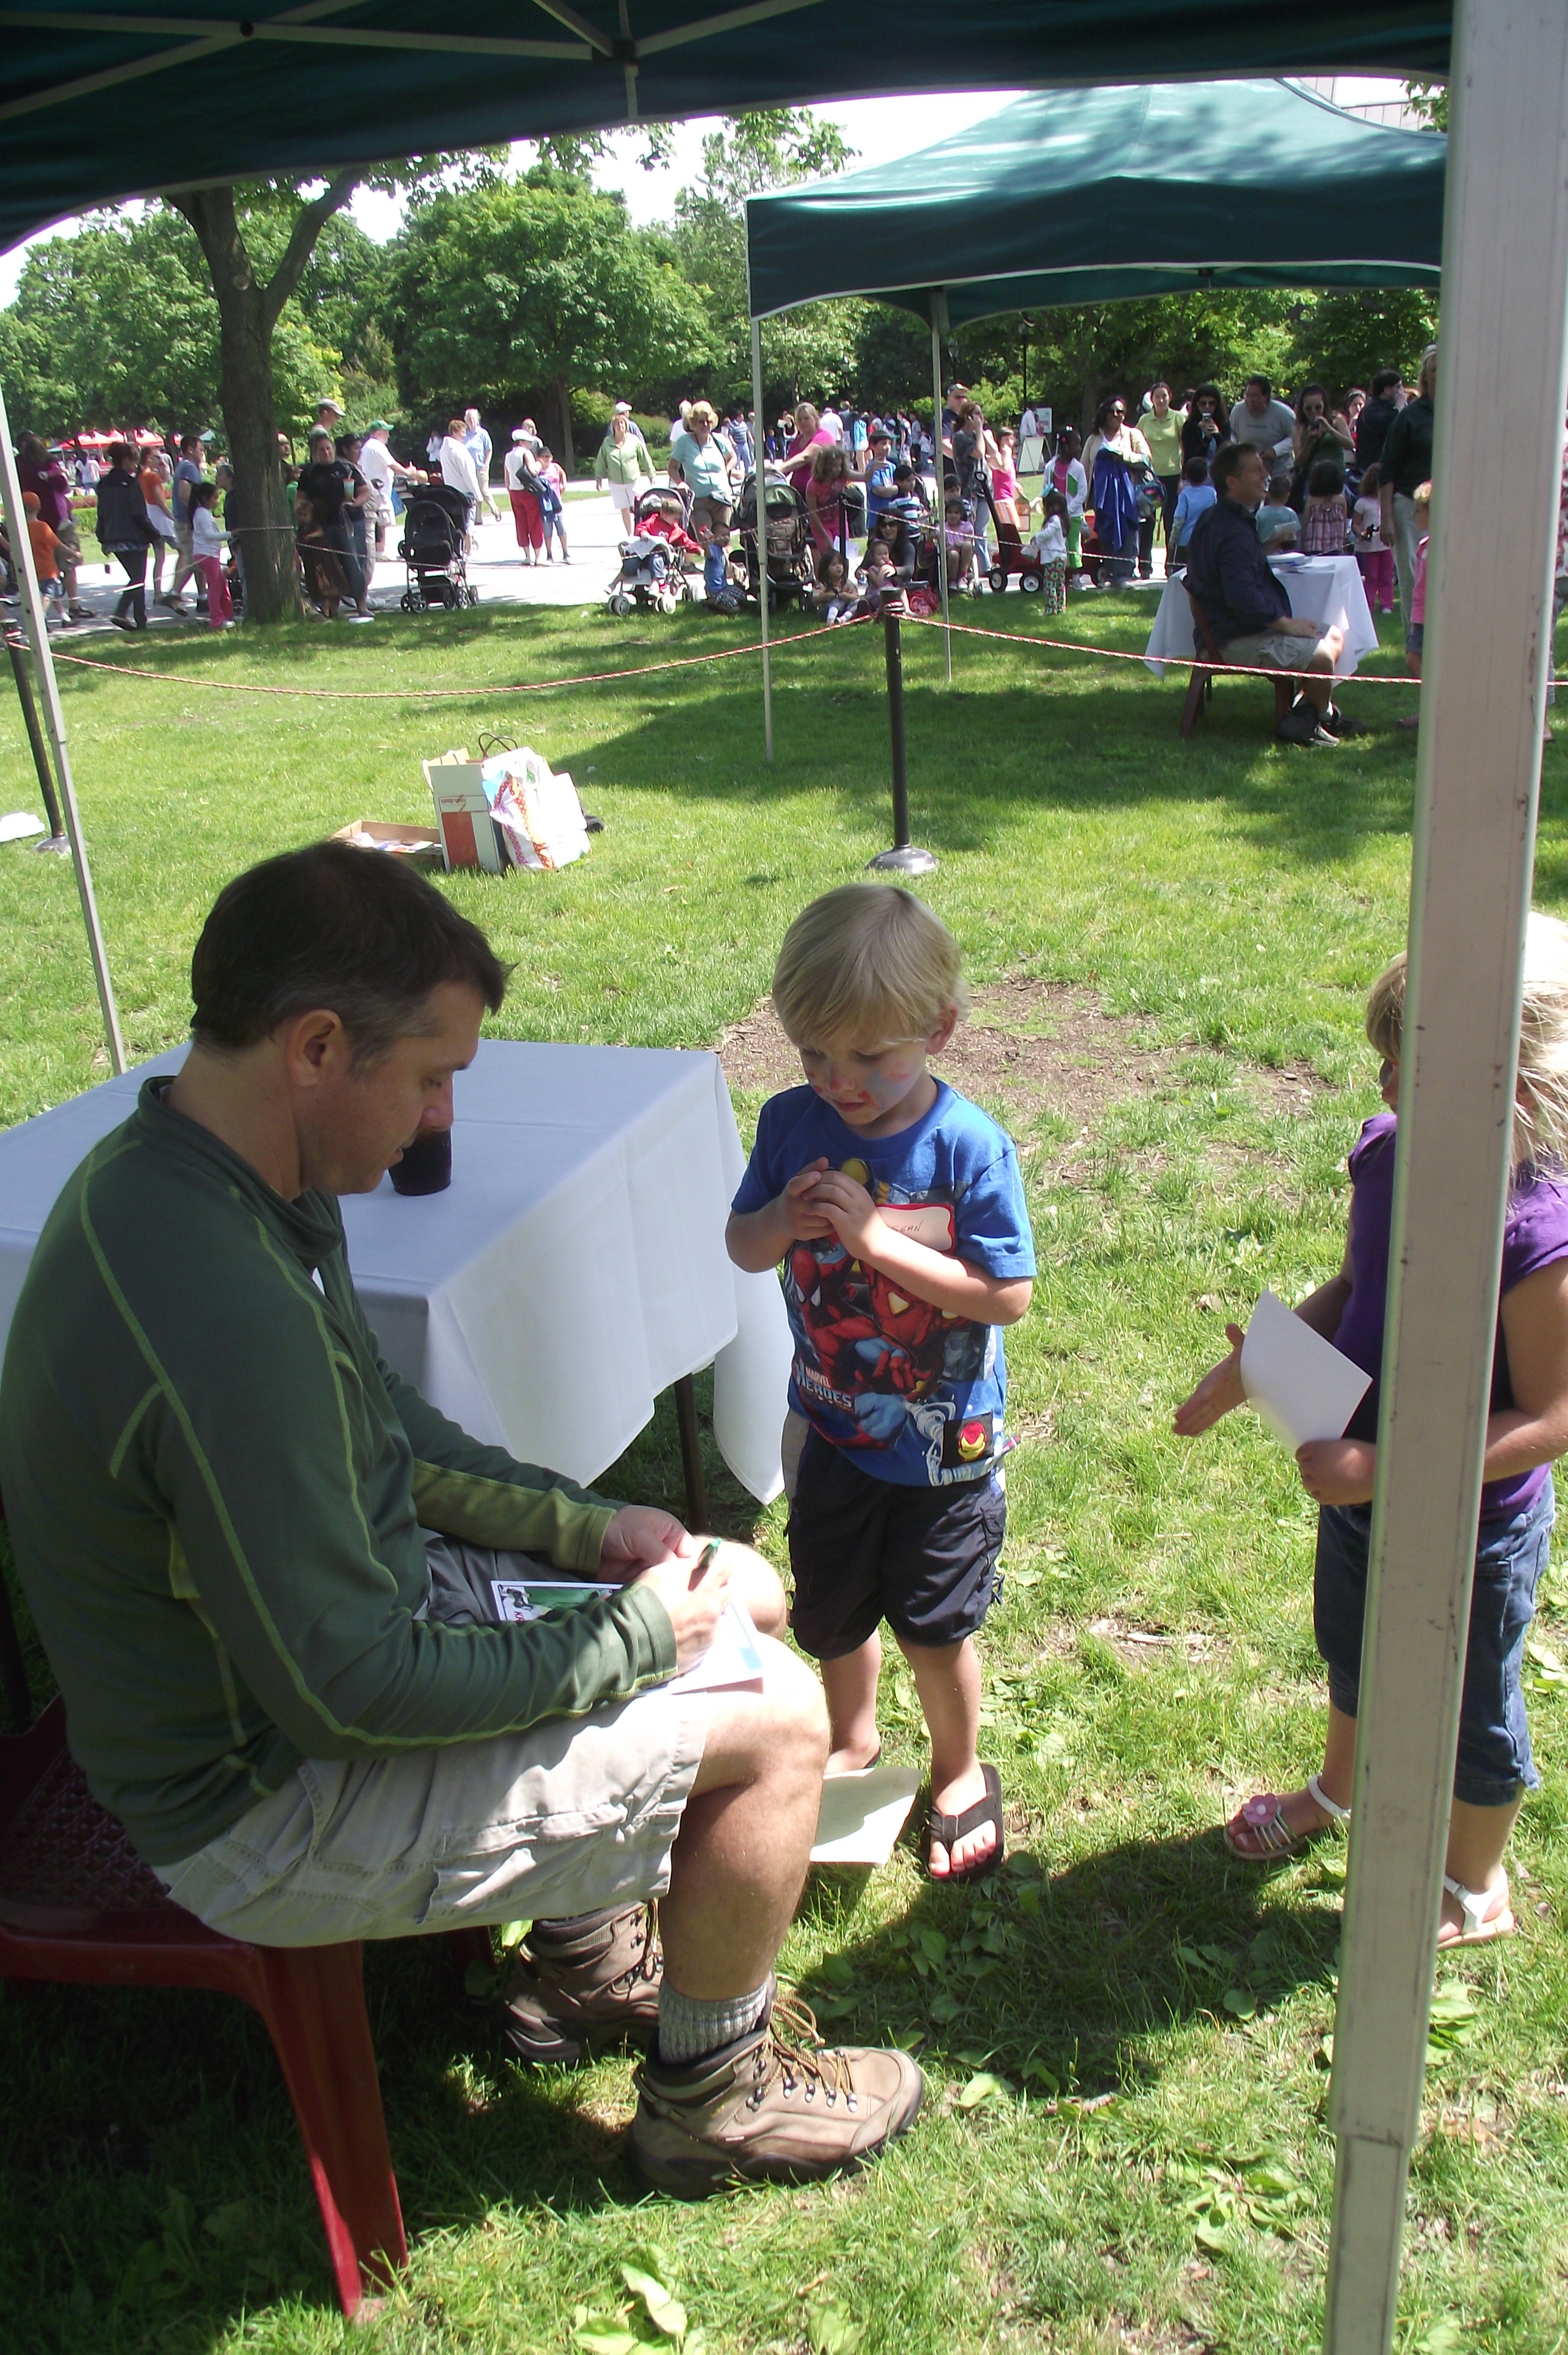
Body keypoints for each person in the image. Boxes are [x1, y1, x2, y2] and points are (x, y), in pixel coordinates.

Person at [0, 843, 924, 2190]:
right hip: (262, 1805)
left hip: (330, 1658)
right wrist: (636, 1639)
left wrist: (589, 1531)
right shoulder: (216, 1307)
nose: (440, 1119)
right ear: (318, 1047)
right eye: (430, 1077)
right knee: (781, 1715)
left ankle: (587, 1958)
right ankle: (712, 2099)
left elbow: (378, 1419)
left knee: (743, 1592)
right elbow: (356, 1691)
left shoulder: (218, 1177)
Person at [1174, 917, 1568, 1948]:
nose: (1386, 1087)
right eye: (1386, 1061)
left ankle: (1472, 1884)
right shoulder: (1392, 1156)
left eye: (1413, 1071)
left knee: (1472, 1708)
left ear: (1518, 1096)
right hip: (1359, 1488)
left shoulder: (1534, 1234)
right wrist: (1257, 1362)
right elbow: (1355, 1286)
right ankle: (1337, 1790)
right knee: (1352, 1649)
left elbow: (1549, 1418)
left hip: (1473, 1525)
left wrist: (1390, 1469)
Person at [726, 886, 1035, 1881]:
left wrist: (872, 1242)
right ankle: (851, 1738)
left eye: (868, 1056)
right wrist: (781, 1219)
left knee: (935, 1630)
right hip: (828, 1426)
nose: (839, 1081)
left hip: (944, 1447)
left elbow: (1005, 1296)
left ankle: (958, 1768)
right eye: (813, 1054)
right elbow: (742, 1246)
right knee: (831, 1612)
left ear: (937, 1030)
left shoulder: (966, 1147)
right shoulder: (791, 1124)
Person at [1182, 442, 1349, 747]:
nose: (1265, 475)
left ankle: (1316, 715)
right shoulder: (1231, 532)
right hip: (1234, 638)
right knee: (1323, 657)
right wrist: (1286, 624)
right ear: (1233, 482)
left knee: (1334, 634)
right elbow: (1242, 599)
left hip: (1238, 630)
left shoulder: (1221, 519)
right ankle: (1318, 717)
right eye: (1256, 470)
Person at [1379, 344, 1437, 631]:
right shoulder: (1409, 417)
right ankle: (1416, 643)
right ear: (1425, 376)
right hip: (1409, 508)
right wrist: (1386, 518)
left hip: (1445, 505)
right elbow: (1387, 469)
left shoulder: (1460, 413)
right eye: (1435, 369)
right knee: (1414, 579)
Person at [668, 402, 739, 609]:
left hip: (722, 498)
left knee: (722, 541)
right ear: (693, 423)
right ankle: (716, 589)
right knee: (707, 542)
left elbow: (733, 457)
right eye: (700, 421)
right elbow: (672, 467)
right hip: (699, 500)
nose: (705, 425)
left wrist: (727, 470)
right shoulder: (684, 442)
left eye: (708, 421)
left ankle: (718, 588)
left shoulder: (719, 440)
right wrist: (680, 483)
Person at [17, 432, 90, 621]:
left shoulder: (17, 466)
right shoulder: (48, 464)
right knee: (68, 564)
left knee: (45, 568)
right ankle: (73, 606)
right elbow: (63, 486)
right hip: (59, 520)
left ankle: (52, 611)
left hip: (33, 520)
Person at [1084, 396, 1151, 589]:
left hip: (1127, 495)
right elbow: (1084, 466)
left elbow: (1146, 459)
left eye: (1120, 411)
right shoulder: (1094, 439)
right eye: (1112, 411)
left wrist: (1124, 457)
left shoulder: (1133, 434)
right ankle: (1109, 573)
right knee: (1105, 531)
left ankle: (1124, 574)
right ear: (1105, 414)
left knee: (1127, 532)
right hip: (1102, 495)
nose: (1116, 415)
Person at [94, 440, 157, 631]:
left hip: (113, 537)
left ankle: (130, 616)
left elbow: (101, 514)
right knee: (138, 580)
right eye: (134, 461)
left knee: (135, 578)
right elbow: (139, 514)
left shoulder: (103, 485)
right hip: (134, 537)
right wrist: (154, 534)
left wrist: (103, 538)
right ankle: (133, 617)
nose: (135, 465)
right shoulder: (130, 484)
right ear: (126, 461)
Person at [1396, 479, 1433, 729]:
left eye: (1419, 510)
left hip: (1432, 618)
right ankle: (1429, 709)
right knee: (1416, 660)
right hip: (1420, 616)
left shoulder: (1443, 547)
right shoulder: (1424, 546)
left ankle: (1434, 707)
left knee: (1414, 660)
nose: (1414, 515)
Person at [1141, 382, 1185, 568]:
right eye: (1157, 397)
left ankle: (1171, 564)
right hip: (1151, 478)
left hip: (1173, 477)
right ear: (1152, 400)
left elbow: (1185, 447)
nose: (1161, 400)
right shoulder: (1145, 421)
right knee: (1147, 521)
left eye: (1164, 396)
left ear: (1170, 397)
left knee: (1171, 521)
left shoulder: (1178, 419)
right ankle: (1144, 565)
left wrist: (1184, 476)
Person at [163, 433, 209, 612]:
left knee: (198, 559)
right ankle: (174, 594)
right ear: (190, 450)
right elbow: (184, 493)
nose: (203, 453)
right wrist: (194, 517)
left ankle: (203, 598)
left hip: (183, 521)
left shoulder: (185, 466)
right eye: (201, 449)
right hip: (187, 523)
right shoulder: (189, 468)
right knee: (192, 559)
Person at [594, 404, 652, 531]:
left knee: (638, 507)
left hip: (633, 480)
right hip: (616, 482)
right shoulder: (607, 443)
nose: (620, 426)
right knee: (624, 509)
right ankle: (630, 534)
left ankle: (639, 531)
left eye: (623, 424)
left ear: (627, 426)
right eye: (617, 424)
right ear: (613, 427)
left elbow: (644, 457)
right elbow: (601, 460)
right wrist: (598, 477)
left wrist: (651, 474)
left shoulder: (634, 440)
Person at [188, 481, 234, 628]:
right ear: (205, 498)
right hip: (207, 556)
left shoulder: (203, 513)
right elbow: (209, 535)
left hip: (210, 555)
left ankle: (228, 615)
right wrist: (230, 534)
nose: (217, 501)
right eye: (215, 497)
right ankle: (217, 620)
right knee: (215, 588)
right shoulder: (202, 514)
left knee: (222, 585)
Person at [1351, 463, 1395, 615]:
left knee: (1387, 575)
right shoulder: (1362, 503)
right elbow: (1355, 524)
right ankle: (1369, 604)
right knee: (1372, 577)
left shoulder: (1388, 502)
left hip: (1386, 546)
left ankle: (1387, 604)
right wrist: (1362, 534)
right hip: (1369, 548)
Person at [19, 491, 65, 626]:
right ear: (38, 507)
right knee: (48, 595)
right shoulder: (42, 527)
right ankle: (39, 620)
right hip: (47, 567)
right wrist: (74, 554)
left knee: (54, 594)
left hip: (31, 567)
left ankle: (65, 617)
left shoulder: (22, 528)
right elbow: (57, 544)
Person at [1228, 376, 1297, 466]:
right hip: (1249, 465)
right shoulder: (1237, 410)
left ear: (1266, 397)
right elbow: (1232, 432)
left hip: (1280, 466)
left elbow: (1295, 438)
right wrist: (1235, 448)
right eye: (1247, 395)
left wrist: (1275, 450)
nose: (1249, 400)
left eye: (1254, 396)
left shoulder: (1284, 413)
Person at [1048, 429, 1089, 578]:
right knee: (1058, 546)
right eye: (1076, 444)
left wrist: (1068, 510)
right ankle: (1060, 577)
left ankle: (1076, 577)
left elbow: (1082, 493)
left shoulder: (1078, 468)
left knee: (1073, 545)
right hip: (1056, 516)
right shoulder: (1050, 467)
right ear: (1065, 446)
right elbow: (1046, 489)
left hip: (1073, 516)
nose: (1079, 448)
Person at [436, 419, 483, 548]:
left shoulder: (444, 449)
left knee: (457, 522)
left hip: (451, 492)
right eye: (462, 432)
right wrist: (477, 495)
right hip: (465, 493)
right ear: (454, 432)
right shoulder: (459, 450)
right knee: (468, 522)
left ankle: (460, 547)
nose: (465, 435)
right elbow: (469, 475)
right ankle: (469, 549)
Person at [139, 445, 178, 599]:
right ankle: (176, 589)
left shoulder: (141, 476)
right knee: (184, 551)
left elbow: (165, 479)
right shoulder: (151, 476)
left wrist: (162, 467)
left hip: (151, 518)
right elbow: (160, 501)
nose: (160, 459)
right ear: (149, 459)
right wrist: (172, 517)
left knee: (159, 557)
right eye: (157, 457)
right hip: (161, 519)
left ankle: (158, 592)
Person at [1354, 367, 1405, 478]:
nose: (1402, 392)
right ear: (1387, 390)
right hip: (1372, 470)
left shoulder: (1389, 407)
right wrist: (1399, 408)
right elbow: (1388, 427)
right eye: (1398, 387)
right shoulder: (1371, 409)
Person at [504, 429, 546, 562]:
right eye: (528, 442)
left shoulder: (508, 455)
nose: (529, 445)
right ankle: (538, 556)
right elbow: (534, 471)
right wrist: (540, 464)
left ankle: (527, 556)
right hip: (527, 491)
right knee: (534, 521)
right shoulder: (526, 453)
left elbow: (507, 477)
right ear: (522, 442)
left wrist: (510, 490)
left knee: (521, 523)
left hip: (514, 491)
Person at [1170, 452, 1218, 568]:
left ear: (1187, 476)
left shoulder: (1185, 495)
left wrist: (1173, 539)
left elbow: (1179, 520)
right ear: (1206, 475)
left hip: (1185, 541)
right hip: (1206, 539)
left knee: (1181, 570)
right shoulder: (1212, 493)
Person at [1024, 492, 1068, 612]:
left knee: (1050, 584)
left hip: (1053, 558)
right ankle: (1061, 606)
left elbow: (1048, 533)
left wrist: (1036, 537)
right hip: (1061, 557)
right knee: (1060, 583)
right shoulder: (1062, 520)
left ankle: (1051, 608)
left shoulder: (1054, 520)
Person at [1300, 457, 1350, 555]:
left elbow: (1305, 525)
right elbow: (1344, 525)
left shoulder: (1312, 501)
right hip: (1336, 547)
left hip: (1314, 547)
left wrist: (1302, 546)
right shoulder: (1341, 501)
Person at [462, 407, 501, 522]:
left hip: (481, 468)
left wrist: (486, 464)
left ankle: (495, 510)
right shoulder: (465, 434)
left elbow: (489, 450)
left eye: (473, 418)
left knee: (484, 491)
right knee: (474, 493)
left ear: (477, 419)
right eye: (469, 419)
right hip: (469, 469)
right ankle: (478, 519)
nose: (472, 421)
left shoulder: (483, 433)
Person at [1181, 384, 1228, 476]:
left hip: (1218, 475)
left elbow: (1227, 453)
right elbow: (1192, 456)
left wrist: (1217, 435)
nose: (1207, 407)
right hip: (1196, 477)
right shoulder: (1190, 426)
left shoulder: (1224, 424)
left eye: (1212, 403)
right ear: (1197, 405)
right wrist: (1207, 439)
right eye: (1203, 403)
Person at [536, 445, 570, 562]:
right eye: (544, 457)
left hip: (557, 501)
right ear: (539, 458)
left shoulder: (555, 466)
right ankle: (549, 554)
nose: (547, 459)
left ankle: (566, 553)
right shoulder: (537, 469)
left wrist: (563, 484)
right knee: (547, 529)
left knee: (561, 527)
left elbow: (562, 473)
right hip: (545, 503)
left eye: (548, 456)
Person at [1255, 472, 1301, 551]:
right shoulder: (1291, 513)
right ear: (1287, 495)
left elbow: (1255, 534)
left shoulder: (1260, 513)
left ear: (1268, 494)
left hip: (1264, 553)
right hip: (1286, 555)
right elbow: (1295, 538)